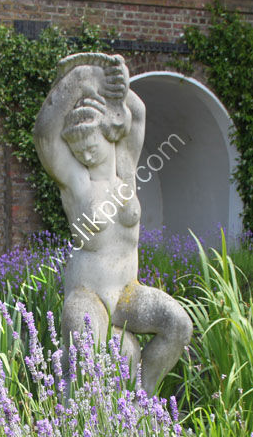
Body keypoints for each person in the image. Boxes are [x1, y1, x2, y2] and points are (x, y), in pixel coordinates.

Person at [33, 52, 192, 394]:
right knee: (84, 348)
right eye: (76, 148)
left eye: (90, 144)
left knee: (178, 325)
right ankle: (77, 427)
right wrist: (84, 77)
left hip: (126, 293)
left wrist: (116, 84)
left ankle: (141, 403)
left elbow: (137, 113)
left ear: (109, 134)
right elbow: (45, 135)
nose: (84, 154)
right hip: (88, 293)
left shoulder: (126, 173)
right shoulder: (77, 184)